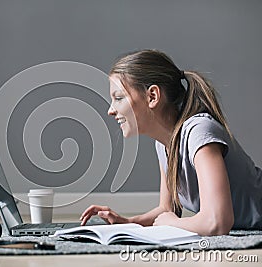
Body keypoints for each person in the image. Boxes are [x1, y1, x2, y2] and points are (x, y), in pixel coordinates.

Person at [80, 49, 262, 235]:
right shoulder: (163, 144)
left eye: (118, 98)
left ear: (152, 96)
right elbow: (167, 210)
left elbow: (217, 222)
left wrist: (172, 223)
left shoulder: (198, 132)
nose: (111, 110)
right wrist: (127, 222)